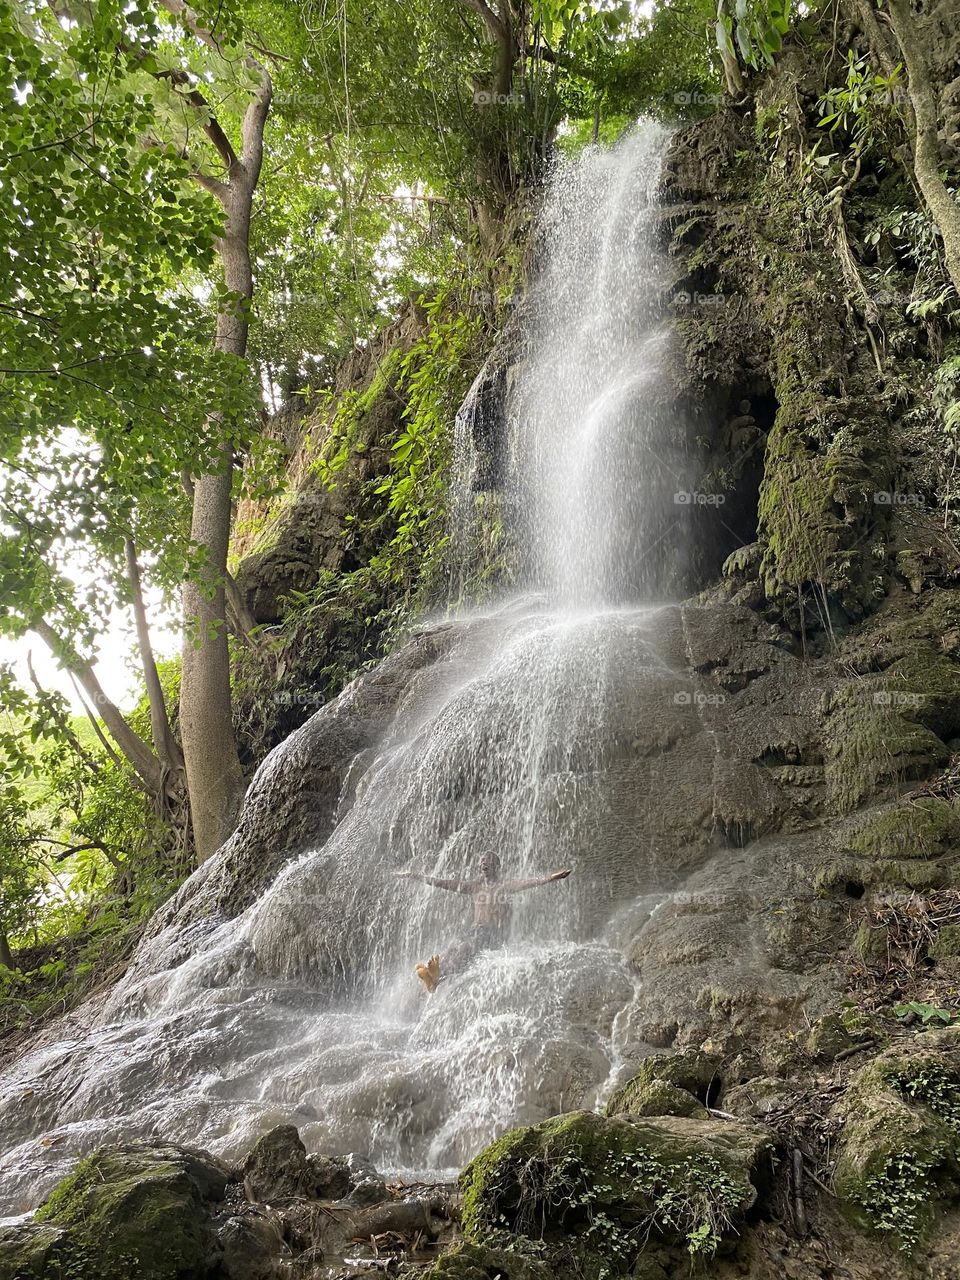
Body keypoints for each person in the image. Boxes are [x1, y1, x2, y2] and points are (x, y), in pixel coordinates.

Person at [395, 852, 572, 992]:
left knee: (464, 948)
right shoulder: (474, 886)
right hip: (475, 930)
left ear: (497, 865)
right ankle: (433, 977)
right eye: (481, 860)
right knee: (451, 948)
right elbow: (443, 883)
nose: (483, 863)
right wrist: (414, 875)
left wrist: (550, 878)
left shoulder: (504, 885)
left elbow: (527, 883)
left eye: (487, 860)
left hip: (491, 934)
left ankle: (437, 978)